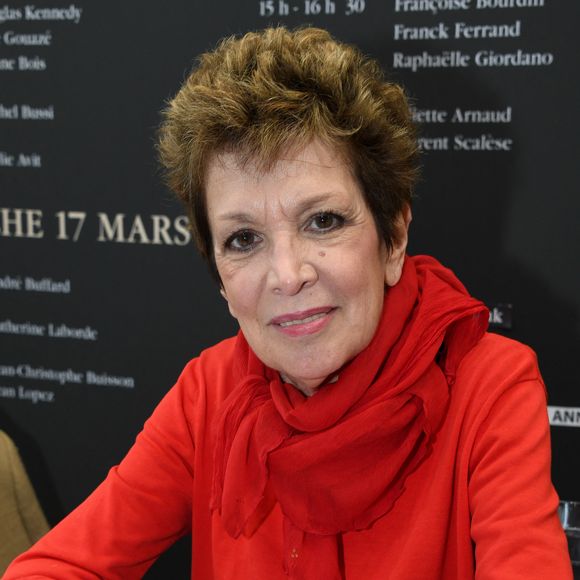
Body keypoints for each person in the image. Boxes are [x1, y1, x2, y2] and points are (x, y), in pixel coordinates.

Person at [5, 26, 572, 579]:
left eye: (322, 222)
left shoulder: (488, 386)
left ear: (393, 238)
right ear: (221, 281)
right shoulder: (209, 394)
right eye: (243, 239)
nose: (287, 275)